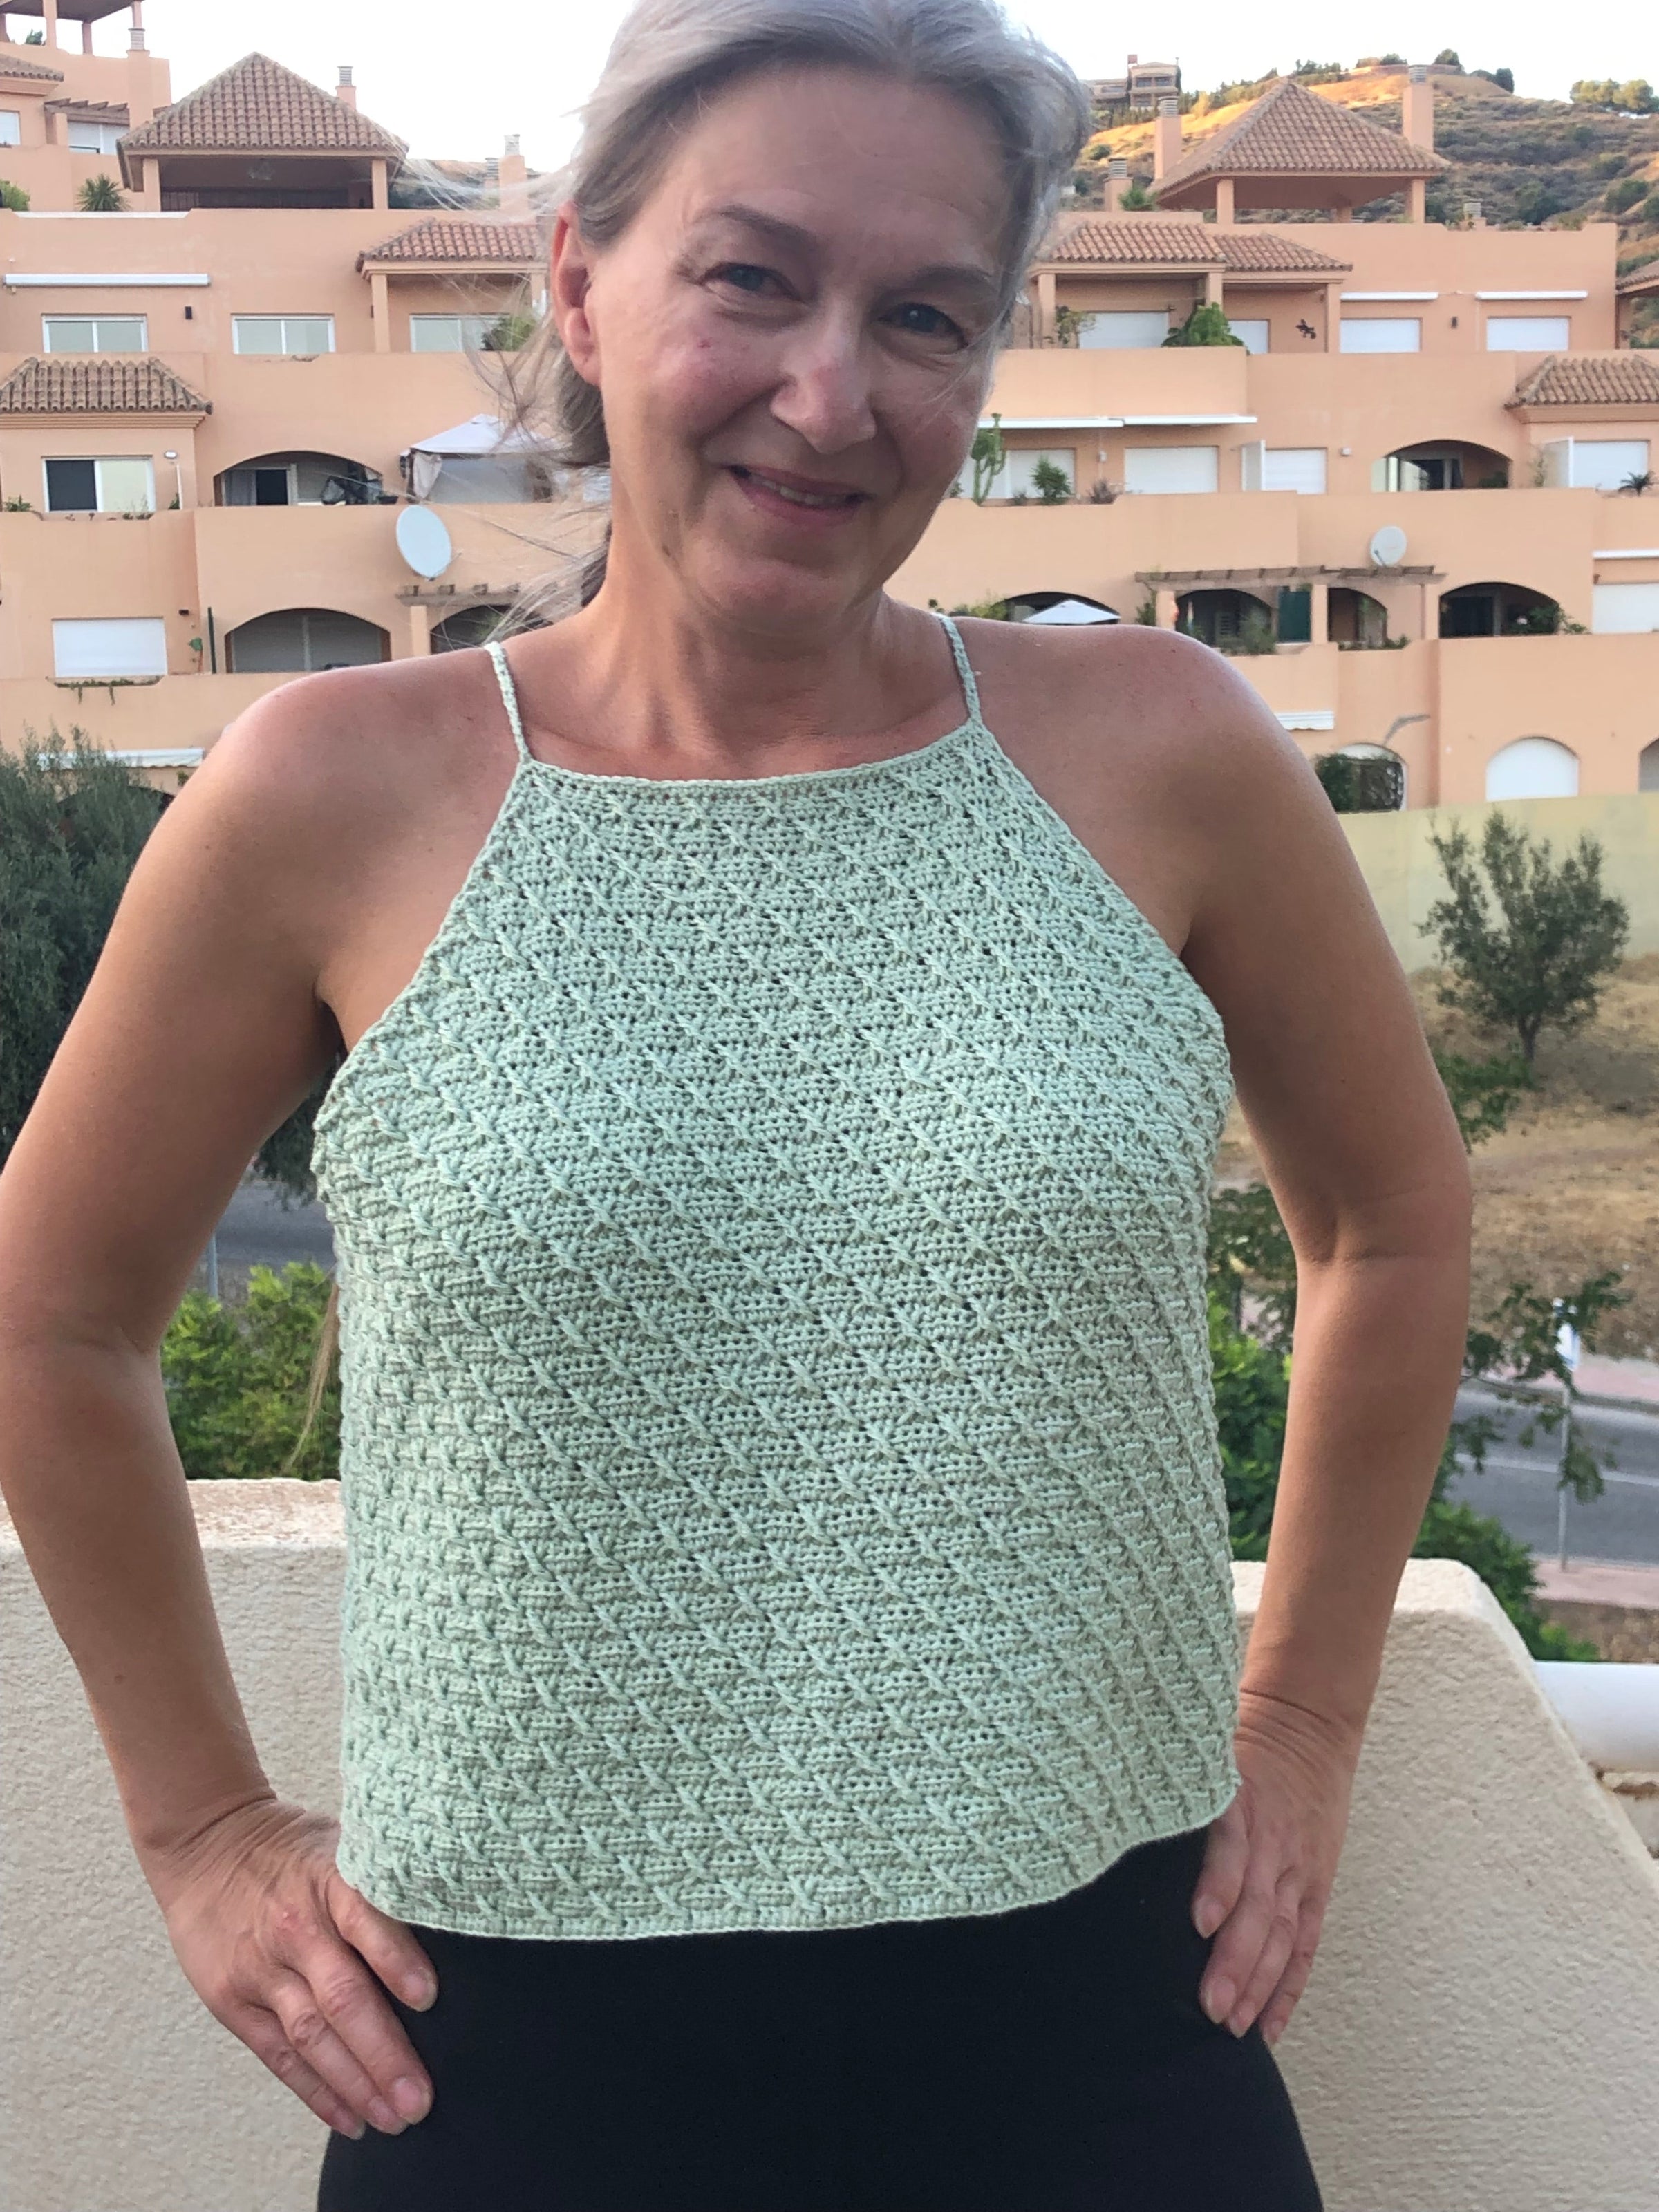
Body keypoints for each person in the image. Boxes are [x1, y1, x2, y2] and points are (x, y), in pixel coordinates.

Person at [0, 1, 1473, 2206]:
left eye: (925, 316)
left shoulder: (1164, 751)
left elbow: (1399, 1224)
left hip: (1106, 2041)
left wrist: (1310, 1724)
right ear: (582, 284)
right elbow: (50, 1317)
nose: (831, 393)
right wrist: (203, 1830)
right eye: (752, 278)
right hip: (512, 2076)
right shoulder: (333, 793)